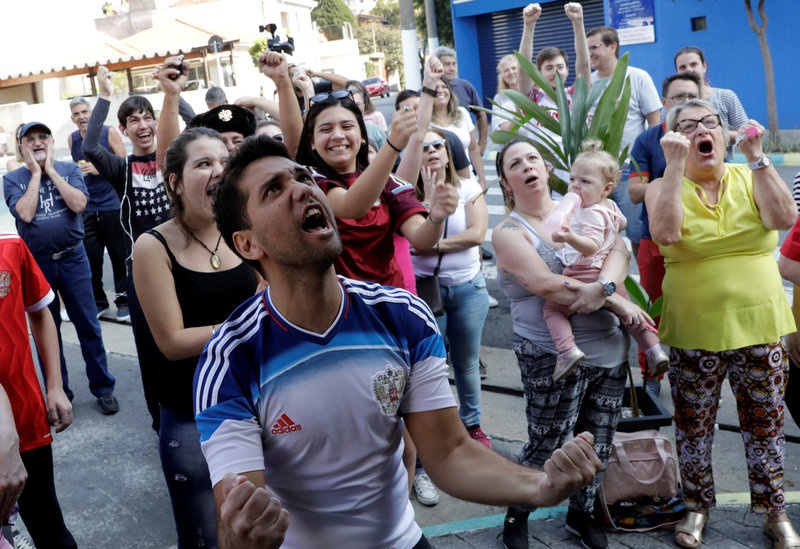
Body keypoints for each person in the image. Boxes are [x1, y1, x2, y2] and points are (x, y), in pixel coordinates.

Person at [194, 134, 604, 549]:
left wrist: (541, 486)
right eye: (274, 190)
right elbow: (238, 518)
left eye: (302, 177)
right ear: (248, 243)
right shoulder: (230, 357)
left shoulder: (401, 314)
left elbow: (448, 453)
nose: (302, 188)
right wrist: (244, 536)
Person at [645, 100, 798, 549]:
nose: (699, 131)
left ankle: (775, 511)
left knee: (766, 425)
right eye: (686, 126)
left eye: (709, 123)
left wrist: (756, 156)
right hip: (694, 327)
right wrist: (674, 167)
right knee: (693, 426)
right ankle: (696, 508)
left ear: (725, 134)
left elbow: (784, 219)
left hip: (762, 322)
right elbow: (667, 233)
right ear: (672, 139)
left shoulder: (749, 175)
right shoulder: (661, 185)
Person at [493, 139, 648, 549]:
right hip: (550, 354)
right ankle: (518, 512)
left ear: (546, 170)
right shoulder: (508, 231)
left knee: (598, 440)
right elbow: (546, 285)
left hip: (608, 349)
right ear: (507, 182)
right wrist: (612, 297)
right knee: (547, 439)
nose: (526, 166)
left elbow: (618, 248)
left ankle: (583, 514)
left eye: (532, 158)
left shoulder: (584, 204)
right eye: (515, 163)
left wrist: (606, 285)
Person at [133, 127, 260, 548]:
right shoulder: (152, 246)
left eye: (224, 162)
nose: (218, 172)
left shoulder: (246, 231)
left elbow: (272, 295)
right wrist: (245, 324)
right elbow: (171, 340)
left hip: (255, 402)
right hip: (190, 415)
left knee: (261, 528)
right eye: (203, 164)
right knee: (204, 536)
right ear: (175, 182)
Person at [292, 73, 457, 289]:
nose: (338, 135)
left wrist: (436, 217)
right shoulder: (310, 180)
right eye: (326, 129)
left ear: (362, 137)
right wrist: (393, 145)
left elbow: (421, 239)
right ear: (312, 142)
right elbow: (352, 206)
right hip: (338, 311)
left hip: (388, 303)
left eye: (347, 126)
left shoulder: (387, 182)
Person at [3, 122, 119, 414]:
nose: (37, 142)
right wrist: (36, 174)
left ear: (52, 142)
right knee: (47, 330)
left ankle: (103, 387)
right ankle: (60, 393)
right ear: (21, 146)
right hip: (36, 264)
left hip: (73, 258)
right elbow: (26, 213)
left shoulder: (68, 169)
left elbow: (79, 204)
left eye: (43, 137)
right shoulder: (12, 178)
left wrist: (51, 171)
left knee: (88, 325)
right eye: (29, 139)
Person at [83, 64, 168, 430]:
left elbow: (199, 128)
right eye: (134, 120)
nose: (143, 125)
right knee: (151, 352)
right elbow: (88, 146)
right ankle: (159, 422)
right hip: (143, 274)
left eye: (148, 117)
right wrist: (103, 94)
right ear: (124, 129)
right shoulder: (121, 166)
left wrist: (172, 93)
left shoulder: (175, 157)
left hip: (182, 265)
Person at [543, 145, 668, 383]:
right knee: (629, 313)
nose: (575, 186)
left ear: (606, 189)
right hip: (609, 274)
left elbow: (590, 245)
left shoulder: (589, 213)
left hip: (583, 272)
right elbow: (620, 224)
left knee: (552, 310)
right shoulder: (608, 207)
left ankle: (567, 350)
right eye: (572, 179)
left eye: (585, 181)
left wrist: (570, 236)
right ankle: (654, 350)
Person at [412, 128, 491, 446]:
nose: (431, 150)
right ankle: (436, 430)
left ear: (448, 152)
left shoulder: (469, 187)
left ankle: (472, 424)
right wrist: (423, 241)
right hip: (424, 292)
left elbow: (476, 235)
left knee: (467, 361)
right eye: (424, 146)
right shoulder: (408, 194)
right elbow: (408, 243)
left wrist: (431, 243)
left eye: (438, 145)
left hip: (468, 288)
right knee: (428, 366)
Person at [627, 71, 702, 395]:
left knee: (697, 308)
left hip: (699, 237)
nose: (684, 104)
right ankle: (652, 378)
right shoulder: (646, 141)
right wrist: (665, 184)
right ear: (665, 102)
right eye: (678, 98)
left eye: (691, 97)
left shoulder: (705, 136)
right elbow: (633, 191)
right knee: (651, 307)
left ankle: (695, 376)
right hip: (653, 239)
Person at [0, 233, 75, 548]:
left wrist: (55, 385)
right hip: (7, 427)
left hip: (25, 422)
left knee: (49, 528)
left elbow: (41, 310)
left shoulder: (10, 246)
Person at [587, 24, 661, 258]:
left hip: (631, 169)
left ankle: (645, 284)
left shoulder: (637, 77)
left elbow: (654, 121)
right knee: (599, 232)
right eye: (587, 49)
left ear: (612, 46)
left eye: (595, 47)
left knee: (638, 232)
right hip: (597, 171)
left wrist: (651, 162)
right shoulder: (588, 83)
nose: (590, 54)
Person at [67, 96, 131, 322]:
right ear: (72, 118)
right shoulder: (72, 139)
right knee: (91, 257)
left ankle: (123, 301)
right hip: (87, 206)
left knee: (118, 255)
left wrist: (100, 168)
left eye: (85, 112)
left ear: (92, 113)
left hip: (111, 204)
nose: (82, 117)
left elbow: (124, 163)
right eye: (77, 114)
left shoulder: (108, 132)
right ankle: (99, 302)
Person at [674, 46, 748, 161]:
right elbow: (666, 140)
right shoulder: (672, 106)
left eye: (694, 64)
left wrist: (717, 134)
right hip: (686, 170)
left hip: (724, 166)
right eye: (682, 67)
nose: (689, 70)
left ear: (704, 66)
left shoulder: (725, 97)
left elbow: (747, 134)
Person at [430, 78, 487, 190]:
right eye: (435, 88)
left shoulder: (462, 113)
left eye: (444, 87)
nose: (440, 90)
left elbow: (473, 149)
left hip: (468, 180)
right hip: (442, 185)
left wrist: (482, 180)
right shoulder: (425, 122)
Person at [433, 46, 489, 157]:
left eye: (454, 64)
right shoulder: (426, 92)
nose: (452, 68)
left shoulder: (465, 86)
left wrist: (481, 145)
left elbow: (481, 114)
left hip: (468, 154)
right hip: (439, 155)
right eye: (447, 64)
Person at [491, 54, 520, 136]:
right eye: (506, 70)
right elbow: (504, 133)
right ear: (502, 76)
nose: (511, 72)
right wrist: (518, 116)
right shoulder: (499, 98)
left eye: (514, 68)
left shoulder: (533, 93)